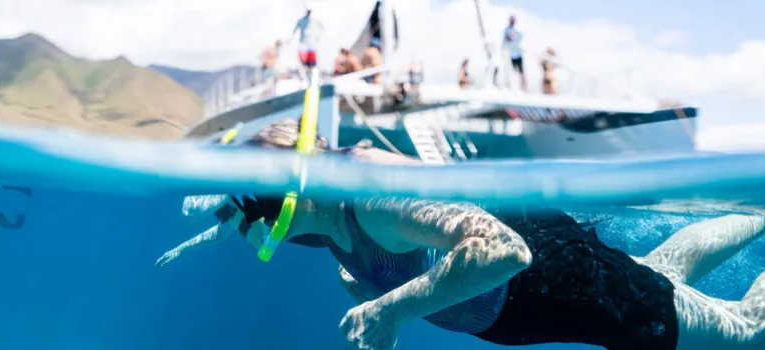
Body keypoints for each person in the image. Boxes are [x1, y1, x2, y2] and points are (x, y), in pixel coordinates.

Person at [157, 118, 765, 350]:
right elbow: (247, 216)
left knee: (746, 329)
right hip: (528, 302)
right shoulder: (315, 214)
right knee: (662, 272)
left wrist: (388, 313)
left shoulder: (369, 198)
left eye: (251, 207)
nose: (245, 223)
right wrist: (204, 235)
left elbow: (502, 249)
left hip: (555, 283)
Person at [287, 3, 324, 82]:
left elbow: (321, 30)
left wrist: (318, 38)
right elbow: (294, 31)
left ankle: (313, 80)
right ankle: (305, 80)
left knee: (312, 65)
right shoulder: (301, 21)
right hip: (304, 47)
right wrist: (289, 40)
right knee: (303, 65)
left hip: (312, 47)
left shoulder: (315, 21)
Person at [503, 15, 527, 91]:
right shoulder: (506, 31)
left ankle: (524, 88)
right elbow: (505, 42)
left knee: (521, 72)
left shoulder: (518, 31)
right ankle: (513, 88)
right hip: (511, 55)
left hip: (519, 54)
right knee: (513, 72)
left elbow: (522, 40)